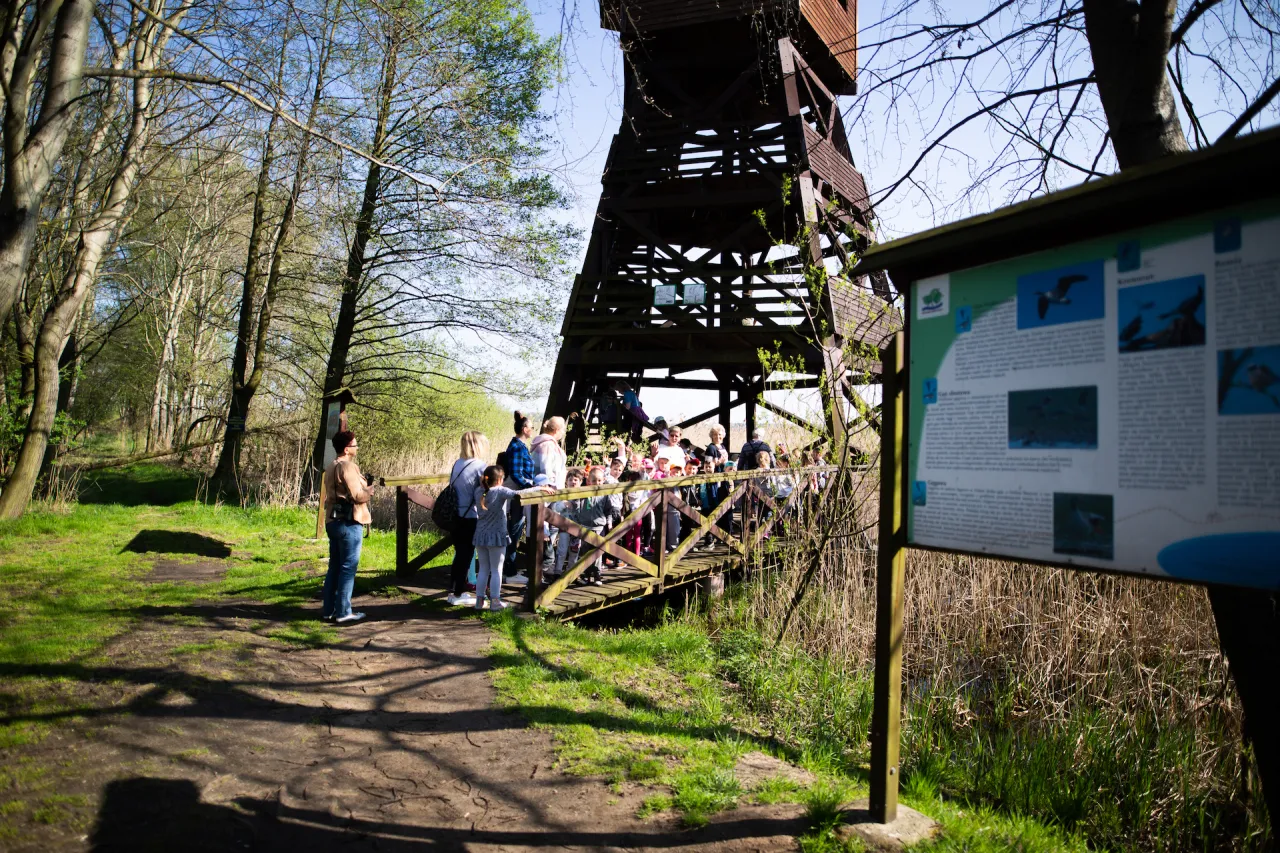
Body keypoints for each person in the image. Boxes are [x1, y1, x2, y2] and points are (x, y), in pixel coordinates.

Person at [473, 465, 554, 611]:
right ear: (499, 480)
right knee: (496, 569)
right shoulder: (500, 491)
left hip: (480, 534)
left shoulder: (478, 491)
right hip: (497, 535)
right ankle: (495, 601)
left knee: (484, 568)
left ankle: (479, 601)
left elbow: (485, 486)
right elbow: (519, 493)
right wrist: (540, 488)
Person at [322, 429, 374, 624]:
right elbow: (357, 495)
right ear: (346, 449)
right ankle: (344, 612)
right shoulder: (348, 467)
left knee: (334, 567)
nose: (357, 447)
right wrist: (369, 491)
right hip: (349, 522)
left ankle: (329, 610)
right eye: (354, 444)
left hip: (332, 521)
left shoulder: (330, 466)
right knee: (348, 567)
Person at [447, 431, 489, 607]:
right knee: (466, 555)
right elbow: (487, 490)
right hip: (470, 515)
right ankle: (458, 593)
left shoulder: (457, 463)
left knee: (460, 554)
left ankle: (454, 590)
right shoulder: (480, 466)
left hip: (455, 515)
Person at [503, 412, 536, 584]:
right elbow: (516, 474)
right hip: (516, 493)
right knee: (513, 531)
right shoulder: (517, 447)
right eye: (531, 427)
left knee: (514, 530)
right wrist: (531, 487)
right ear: (524, 429)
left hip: (519, 492)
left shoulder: (520, 445)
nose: (533, 430)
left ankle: (509, 569)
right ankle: (509, 572)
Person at [531, 416, 567, 489]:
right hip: (549, 489)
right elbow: (546, 469)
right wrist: (552, 485)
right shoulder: (547, 445)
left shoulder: (551, 444)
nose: (563, 432)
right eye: (562, 430)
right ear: (556, 430)